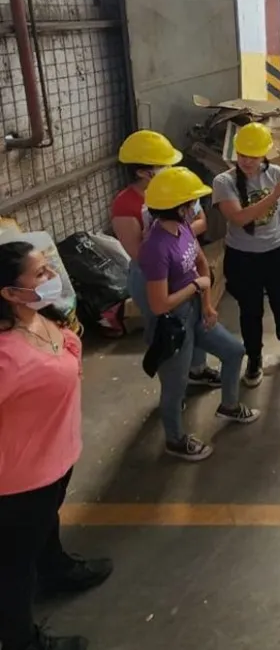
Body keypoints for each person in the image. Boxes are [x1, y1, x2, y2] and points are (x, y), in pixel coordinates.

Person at [0, 241, 113, 650]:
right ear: (10, 293)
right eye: (41, 274)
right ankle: (19, 640)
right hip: (18, 479)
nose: (52, 278)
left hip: (56, 458)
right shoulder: (4, 354)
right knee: (14, 566)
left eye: (49, 268)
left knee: (47, 524)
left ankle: (56, 568)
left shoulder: (39, 316)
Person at [140, 167, 260, 461]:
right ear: (179, 207)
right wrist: (196, 286)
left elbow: (201, 263)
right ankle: (175, 439)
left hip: (195, 310)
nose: (197, 207)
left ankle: (229, 405)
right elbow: (158, 305)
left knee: (234, 351)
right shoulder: (155, 248)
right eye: (192, 202)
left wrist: (207, 304)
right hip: (173, 322)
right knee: (175, 386)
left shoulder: (182, 229)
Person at [112, 130, 222, 389]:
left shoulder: (174, 186)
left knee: (193, 321)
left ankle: (197, 369)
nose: (169, 168)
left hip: (184, 265)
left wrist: (174, 235)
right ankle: (173, 387)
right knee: (165, 332)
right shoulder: (125, 205)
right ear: (142, 172)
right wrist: (177, 235)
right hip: (152, 276)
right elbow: (140, 253)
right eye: (162, 165)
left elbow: (201, 222)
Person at [213, 122, 280, 388]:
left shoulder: (277, 175)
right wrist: (275, 195)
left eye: (253, 155)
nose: (247, 161)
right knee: (250, 310)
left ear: (264, 154)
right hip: (243, 257)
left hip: (279, 253)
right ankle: (254, 357)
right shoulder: (223, 183)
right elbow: (238, 218)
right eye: (242, 155)